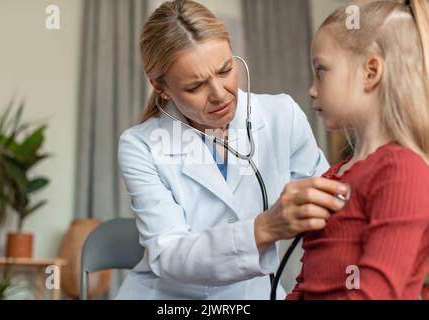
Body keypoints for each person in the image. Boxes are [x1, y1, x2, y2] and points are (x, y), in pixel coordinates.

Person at [116, 0, 348, 300]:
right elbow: (168, 254)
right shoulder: (141, 145)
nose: (219, 94)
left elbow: (331, 217)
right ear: (161, 87)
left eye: (226, 70)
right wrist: (266, 227)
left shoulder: (282, 117)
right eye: (195, 86)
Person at [287, 0, 429, 300]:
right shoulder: (334, 175)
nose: (312, 89)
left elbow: (374, 293)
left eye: (321, 71)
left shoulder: (402, 171)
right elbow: (305, 285)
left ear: (370, 71)